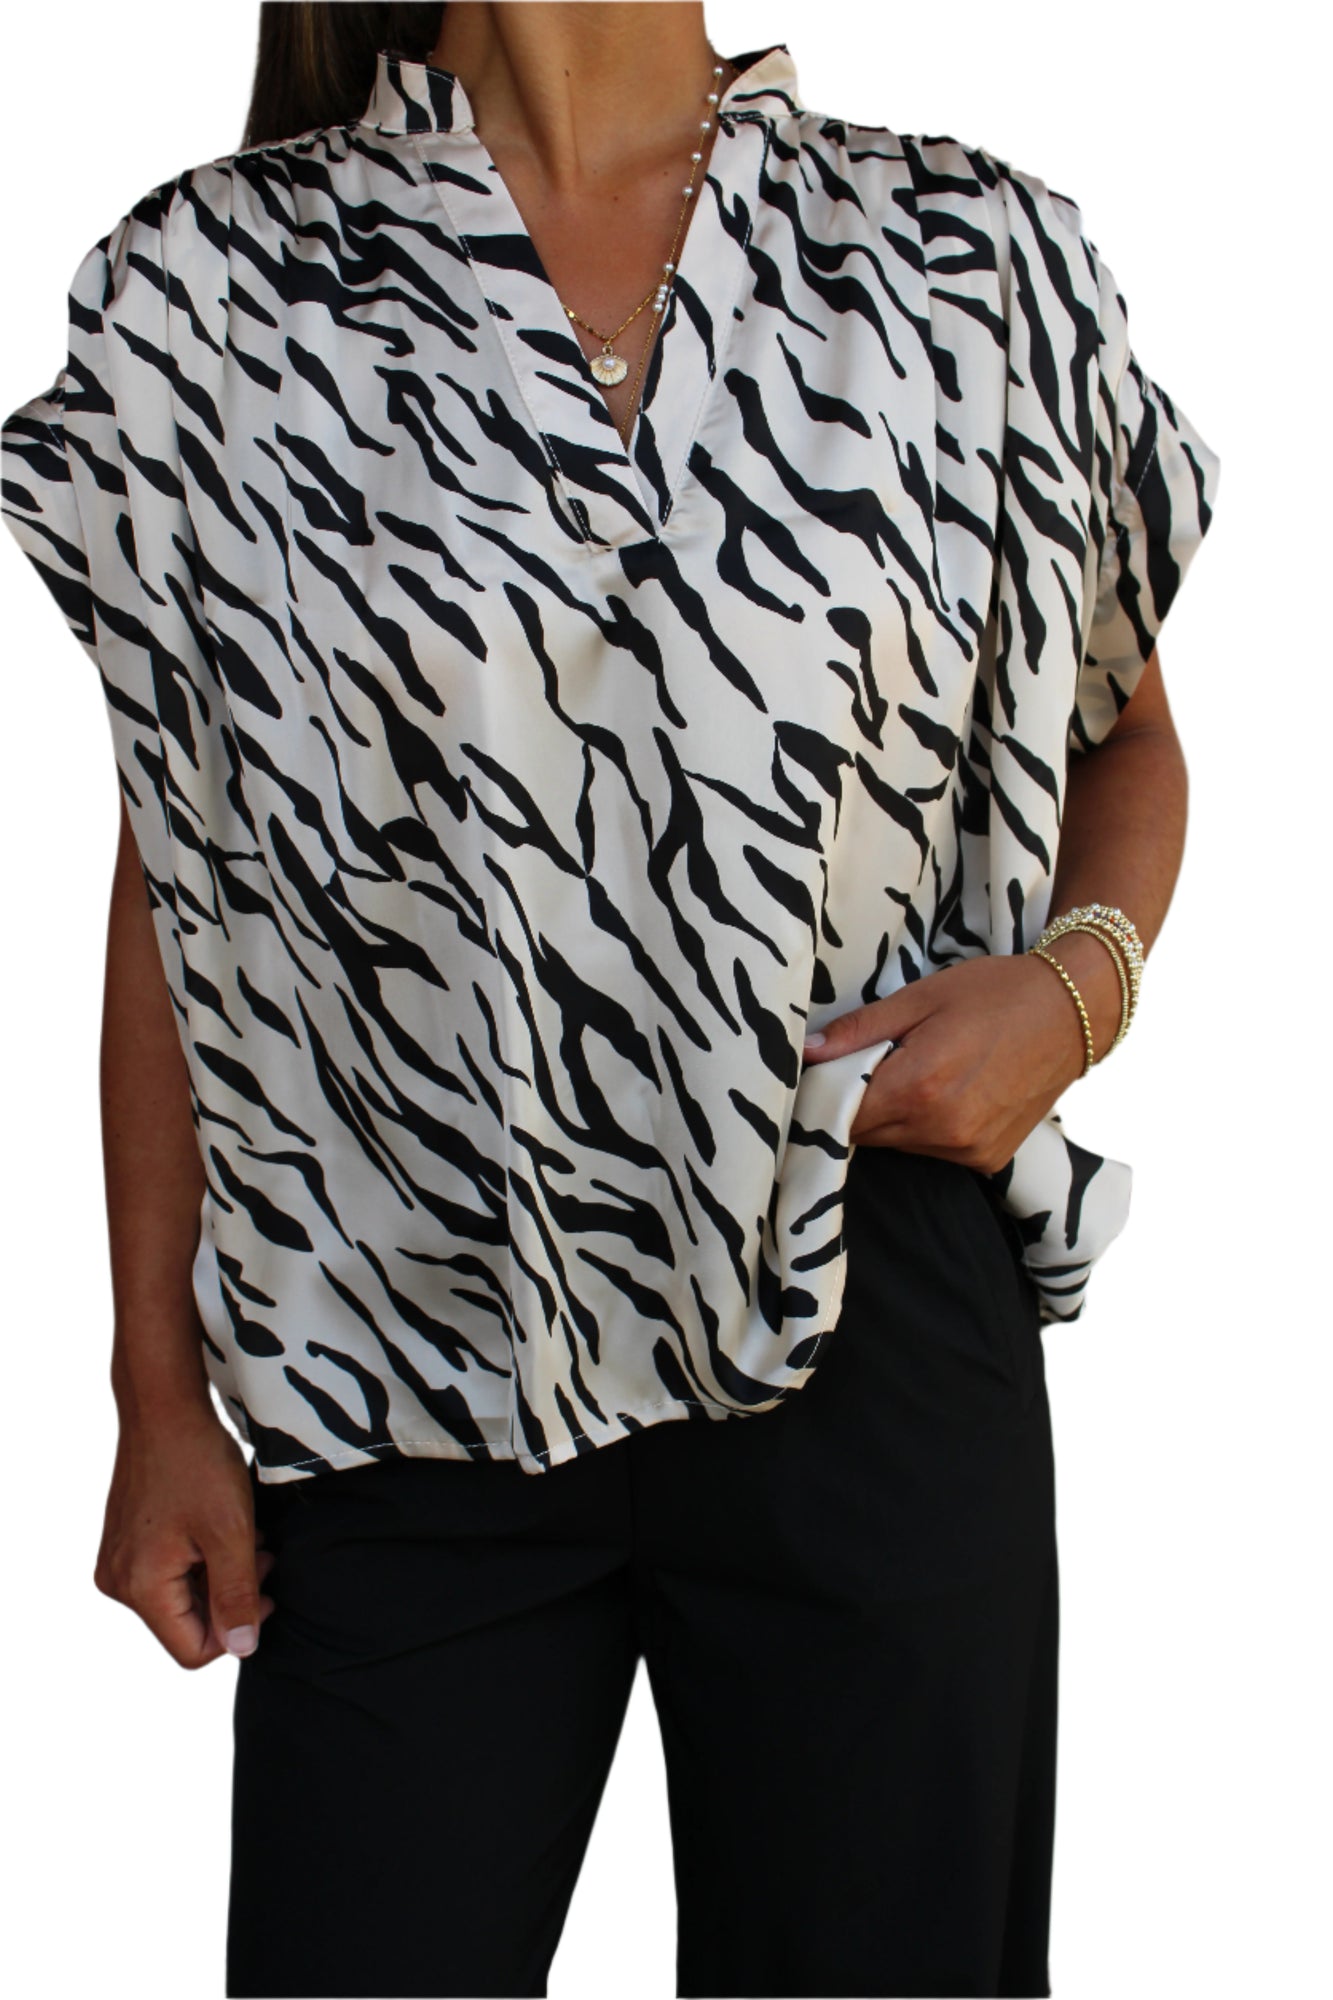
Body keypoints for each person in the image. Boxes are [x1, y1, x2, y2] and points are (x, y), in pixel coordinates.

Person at [0, 2, 1220, 1994]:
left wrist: (1074, 995)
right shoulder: (211, 296)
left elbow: (1132, 740)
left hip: (867, 1287)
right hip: (406, 1348)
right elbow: (184, 884)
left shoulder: (965, 260)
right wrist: (154, 1385)